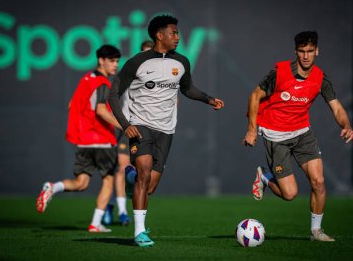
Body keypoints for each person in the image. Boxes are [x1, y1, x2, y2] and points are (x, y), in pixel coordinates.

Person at [109, 15, 225, 247]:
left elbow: (188, 89)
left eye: (178, 33)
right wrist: (126, 124)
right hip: (140, 125)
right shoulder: (137, 62)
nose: (178, 37)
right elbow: (113, 94)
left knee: (149, 186)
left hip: (166, 129)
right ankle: (139, 232)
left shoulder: (181, 62)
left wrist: (208, 99)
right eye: (173, 33)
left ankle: (130, 179)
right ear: (159, 35)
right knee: (144, 172)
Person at [242, 31, 353, 242]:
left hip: (303, 133)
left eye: (310, 51)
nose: (306, 56)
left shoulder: (320, 78)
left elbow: (337, 107)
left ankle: (316, 231)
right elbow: (254, 96)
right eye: (302, 51)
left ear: (317, 51)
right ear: (296, 51)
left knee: (319, 182)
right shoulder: (280, 72)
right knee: (290, 194)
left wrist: (346, 125)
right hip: (276, 136)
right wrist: (251, 129)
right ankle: (266, 177)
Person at [36, 45, 122, 233]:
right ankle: (95, 223)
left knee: (81, 183)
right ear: (101, 61)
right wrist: (123, 125)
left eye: (117, 61)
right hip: (102, 139)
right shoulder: (103, 83)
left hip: (84, 141)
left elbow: (71, 105)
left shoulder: (86, 79)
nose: (116, 65)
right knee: (108, 181)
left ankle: (53, 187)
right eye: (112, 61)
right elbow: (100, 110)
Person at [102, 40, 155, 226]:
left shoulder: (161, 74)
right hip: (129, 126)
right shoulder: (132, 70)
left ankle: (109, 206)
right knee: (123, 167)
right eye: (146, 52)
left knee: (141, 173)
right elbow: (113, 95)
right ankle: (122, 211)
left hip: (151, 128)